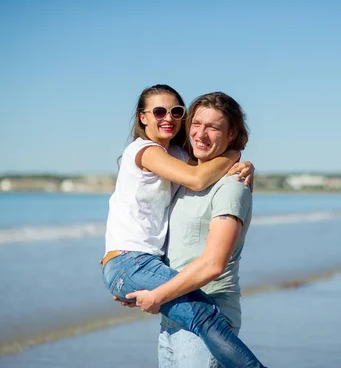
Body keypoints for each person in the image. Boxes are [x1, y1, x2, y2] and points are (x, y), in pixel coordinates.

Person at [102, 84, 265, 368]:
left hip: (196, 298)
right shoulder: (148, 152)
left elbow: (212, 262)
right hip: (137, 267)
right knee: (203, 318)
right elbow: (199, 178)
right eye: (159, 111)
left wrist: (155, 295)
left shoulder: (215, 179)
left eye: (176, 112)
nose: (168, 118)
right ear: (142, 117)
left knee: (205, 318)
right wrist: (234, 154)